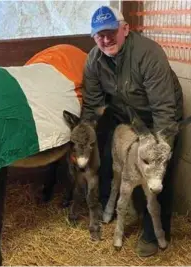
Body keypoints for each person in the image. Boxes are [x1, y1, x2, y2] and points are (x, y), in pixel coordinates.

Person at [81, 6, 183, 257]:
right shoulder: (93, 60)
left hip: (159, 118)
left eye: (111, 32)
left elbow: (164, 109)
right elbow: (92, 107)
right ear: (93, 37)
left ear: (125, 29)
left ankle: (153, 233)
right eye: (99, 35)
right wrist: (83, 141)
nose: (106, 39)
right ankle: (114, 208)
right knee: (106, 154)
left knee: (157, 175)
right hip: (128, 118)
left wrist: (159, 150)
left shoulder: (148, 53)